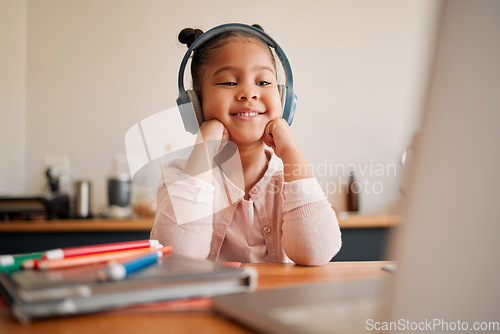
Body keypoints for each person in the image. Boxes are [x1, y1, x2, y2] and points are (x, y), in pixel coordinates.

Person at [151, 24, 341, 266]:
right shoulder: (181, 177)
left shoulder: (293, 177)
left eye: (263, 82)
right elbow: (177, 256)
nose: (248, 93)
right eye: (229, 83)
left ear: (284, 99)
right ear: (195, 105)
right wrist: (204, 148)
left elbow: (317, 252)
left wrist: (291, 152)